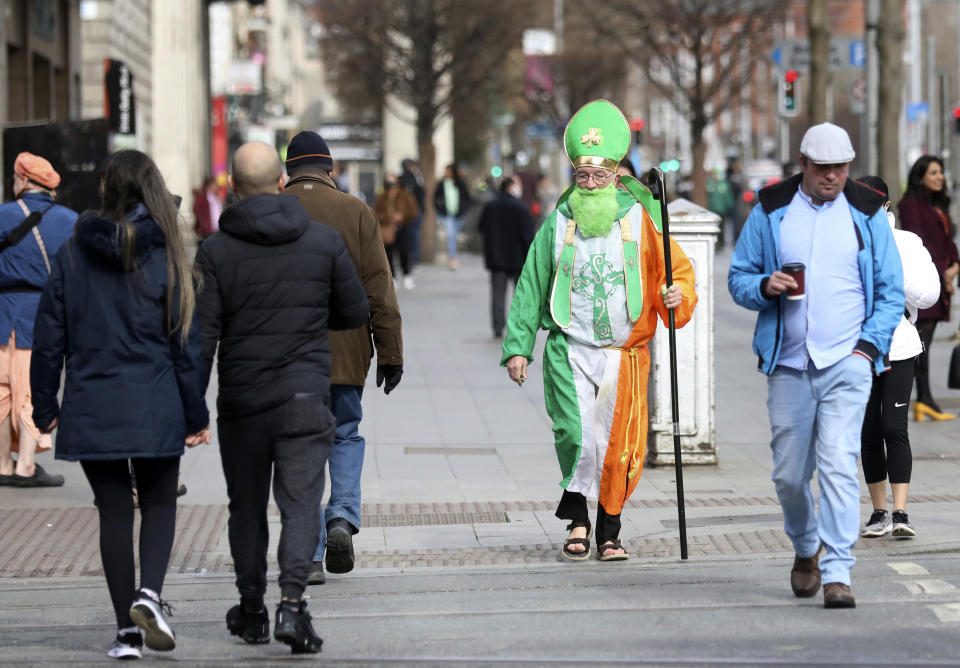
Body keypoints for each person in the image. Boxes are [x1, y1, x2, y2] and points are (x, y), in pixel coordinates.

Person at [30, 150, 210, 659]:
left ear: (106, 188)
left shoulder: (71, 253)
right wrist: (196, 413)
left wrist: (45, 406)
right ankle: (149, 595)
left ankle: (126, 632)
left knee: (112, 512)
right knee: (158, 502)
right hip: (155, 400)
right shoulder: (167, 253)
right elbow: (184, 344)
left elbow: (49, 337)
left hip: (93, 401)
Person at [501, 100, 697, 563]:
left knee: (618, 447)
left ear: (615, 176)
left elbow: (678, 272)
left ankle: (609, 529)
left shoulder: (643, 220)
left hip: (623, 354)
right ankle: (577, 518)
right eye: (582, 177)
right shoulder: (558, 223)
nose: (589, 185)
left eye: (598, 177)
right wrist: (518, 347)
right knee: (576, 434)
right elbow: (531, 284)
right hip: (570, 347)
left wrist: (675, 294)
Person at [195, 141, 368, 654]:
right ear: (278, 183)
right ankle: (292, 605)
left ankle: (251, 609)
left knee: (245, 508)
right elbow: (354, 311)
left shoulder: (215, 250)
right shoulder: (322, 243)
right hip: (304, 395)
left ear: (232, 188)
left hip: (243, 401)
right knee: (300, 505)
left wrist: (188, 407)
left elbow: (202, 338)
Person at [728, 123, 904, 609]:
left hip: (848, 360)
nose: (832, 176)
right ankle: (807, 548)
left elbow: (891, 291)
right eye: (823, 168)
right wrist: (765, 286)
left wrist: (869, 348)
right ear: (802, 164)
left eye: (841, 168)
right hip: (788, 363)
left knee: (838, 464)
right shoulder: (770, 210)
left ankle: (837, 571)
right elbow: (738, 278)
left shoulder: (866, 210)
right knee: (789, 474)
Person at [282, 130, 403, 585]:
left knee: (299, 447)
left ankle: (310, 553)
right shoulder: (357, 211)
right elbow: (379, 288)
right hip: (347, 351)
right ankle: (341, 516)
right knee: (345, 434)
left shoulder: (275, 210)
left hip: (288, 355)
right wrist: (391, 353)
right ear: (330, 169)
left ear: (289, 170)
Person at [857, 175, 940, 540]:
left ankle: (901, 510)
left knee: (894, 426)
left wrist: (892, 272)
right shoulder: (845, 243)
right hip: (858, 347)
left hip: (900, 344)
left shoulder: (906, 244)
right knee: (869, 429)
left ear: (886, 206)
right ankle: (879, 512)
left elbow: (929, 295)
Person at [0, 152, 76, 488]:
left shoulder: (2, 215)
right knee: (30, 389)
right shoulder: (71, 221)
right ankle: (26, 466)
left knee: (2, 393)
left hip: (2, 313)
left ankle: (3, 464)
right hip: (40, 316)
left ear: (24, 181)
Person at [898, 155, 960, 421]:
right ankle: (923, 399)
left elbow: (948, 241)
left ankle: (925, 400)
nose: (940, 177)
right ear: (920, 175)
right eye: (933, 173)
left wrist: (955, 264)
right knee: (921, 344)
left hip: (940, 282)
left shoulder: (939, 204)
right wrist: (942, 275)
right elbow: (919, 243)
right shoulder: (910, 205)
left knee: (927, 344)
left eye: (941, 173)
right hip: (927, 283)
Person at [477, 176, 535, 339]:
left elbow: (481, 228)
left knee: (497, 294)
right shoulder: (521, 207)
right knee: (521, 295)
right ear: (511, 187)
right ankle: (519, 326)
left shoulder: (490, 206)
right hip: (519, 259)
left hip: (497, 258)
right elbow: (528, 235)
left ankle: (497, 327)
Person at [374, 173, 418, 289]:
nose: (391, 185)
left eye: (393, 182)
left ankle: (407, 275)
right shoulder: (382, 196)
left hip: (402, 228)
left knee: (404, 252)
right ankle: (392, 277)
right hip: (387, 229)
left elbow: (413, 210)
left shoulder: (405, 195)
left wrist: (403, 216)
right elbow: (375, 212)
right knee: (388, 254)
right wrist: (387, 217)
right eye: (388, 183)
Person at [434, 163, 471, 269]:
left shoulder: (461, 183)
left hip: (459, 214)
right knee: (451, 236)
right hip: (447, 214)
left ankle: (451, 255)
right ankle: (452, 258)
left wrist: (463, 210)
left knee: (454, 236)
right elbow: (436, 198)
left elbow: (467, 199)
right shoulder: (442, 183)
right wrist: (441, 209)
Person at [398, 158, 425, 264]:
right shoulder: (403, 179)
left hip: (414, 212)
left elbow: (422, 194)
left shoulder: (416, 178)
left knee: (413, 235)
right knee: (408, 236)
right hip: (405, 213)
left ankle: (413, 258)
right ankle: (410, 257)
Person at [706, 168, 736, 247]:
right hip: (711, 210)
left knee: (721, 228)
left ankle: (721, 243)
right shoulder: (709, 183)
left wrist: (730, 205)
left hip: (722, 210)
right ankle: (715, 244)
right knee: (713, 228)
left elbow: (728, 196)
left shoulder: (724, 184)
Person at [192, 176, 222, 241]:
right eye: (214, 185)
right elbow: (196, 209)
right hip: (206, 232)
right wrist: (204, 225)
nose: (216, 187)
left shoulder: (215, 197)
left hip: (215, 230)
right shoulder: (202, 197)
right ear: (209, 185)